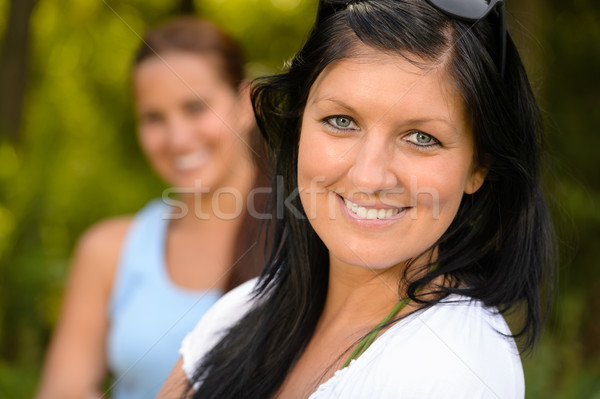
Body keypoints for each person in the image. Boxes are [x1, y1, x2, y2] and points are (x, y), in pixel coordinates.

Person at [159, 0, 555, 398]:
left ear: (478, 166)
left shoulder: (451, 369)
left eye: (421, 137)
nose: (368, 175)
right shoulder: (238, 315)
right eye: (342, 121)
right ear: (298, 128)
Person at [36, 17, 268, 399]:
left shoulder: (311, 236)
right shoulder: (108, 250)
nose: (177, 138)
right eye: (154, 118)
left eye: (195, 107)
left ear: (245, 104)